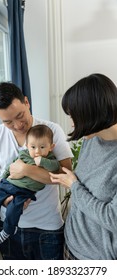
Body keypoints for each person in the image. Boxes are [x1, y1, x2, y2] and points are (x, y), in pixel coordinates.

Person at [0, 81, 73, 260]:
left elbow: (64, 175)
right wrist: (6, 200)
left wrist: (25, 169)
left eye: (20, 115)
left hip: (47, 228)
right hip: (7, 226)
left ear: (26, 102)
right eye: (8, 122)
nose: (17, 125)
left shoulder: (51, 131)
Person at [49, 73, 117, 260]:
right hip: (71, 246)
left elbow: (113, 219)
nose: (71, 123)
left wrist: (74, 186)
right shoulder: (92, 140)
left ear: (91, 113)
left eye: (73, 116)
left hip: (96, 259)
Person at [0, 124, 60, 246]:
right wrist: (4, 177)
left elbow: (56, 169)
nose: (37, 151)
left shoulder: (50, 159)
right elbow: (10, 166)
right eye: (33, 147)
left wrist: (42, 161)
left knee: (14, 208)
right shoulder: (24, 155)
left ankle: (7, 231)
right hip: (9, 183)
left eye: (42, 147)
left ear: (51, 147)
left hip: (25, 191)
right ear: (27, 146)